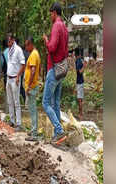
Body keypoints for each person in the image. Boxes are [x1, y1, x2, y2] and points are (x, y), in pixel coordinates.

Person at [42, 2, 68, 145]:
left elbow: (52, 47)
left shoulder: (56, 26)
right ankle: (58, 136)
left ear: (54, 12)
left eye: (50, 13)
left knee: (45, 103)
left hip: (54, 69)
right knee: (55, 103)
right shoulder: (64, 26)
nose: (50, 16)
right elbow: (64, 49)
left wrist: (46, 40)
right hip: (61, 69)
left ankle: (58, 130)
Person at [5, 34, 26, 132]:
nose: (8, 43)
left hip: (15, 79)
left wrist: (18, 76)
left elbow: (23, 64)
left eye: (9, 41)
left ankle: (19, 123)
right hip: (9, 78)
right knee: (10, 101)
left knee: (16, 101)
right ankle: (12, 121)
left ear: (13, 40)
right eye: (7, 41)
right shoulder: (9, 50)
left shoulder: (18, 50)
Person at [24, 37, 41, 141]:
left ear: (30, 44)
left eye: (26, 45)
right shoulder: (35, 54)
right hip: (32, 86)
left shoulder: (34, 54)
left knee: (33, 110)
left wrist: (29, 85)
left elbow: (33, 70)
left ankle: (34, 133)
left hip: (32, 86)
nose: (26, 48)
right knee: (32, 110)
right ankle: (33, 130)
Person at [75, 48, 85, 120]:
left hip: (80, 81)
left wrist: (84, 65)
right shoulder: (79, 60)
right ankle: (80, 112)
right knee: (80, 98)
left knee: (79, 99)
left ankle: (80, 114)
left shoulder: (78, 61)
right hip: (80, 81)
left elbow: (80, 72)